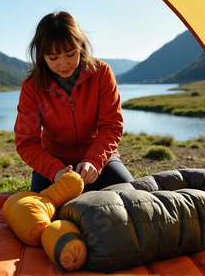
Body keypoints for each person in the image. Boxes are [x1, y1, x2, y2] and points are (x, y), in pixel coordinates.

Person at [14, 11, 134, 193]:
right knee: (40, 212)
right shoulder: (32, 87)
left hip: (99, 158)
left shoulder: (101, 73)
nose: (63, 64)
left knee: (130, 196)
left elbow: (111, 125)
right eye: (53, 58)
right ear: (41, 56)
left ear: (81, 47)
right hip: (54, 164)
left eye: (70, 54)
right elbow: (26, 142)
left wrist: (94, 160)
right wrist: (56, 171)